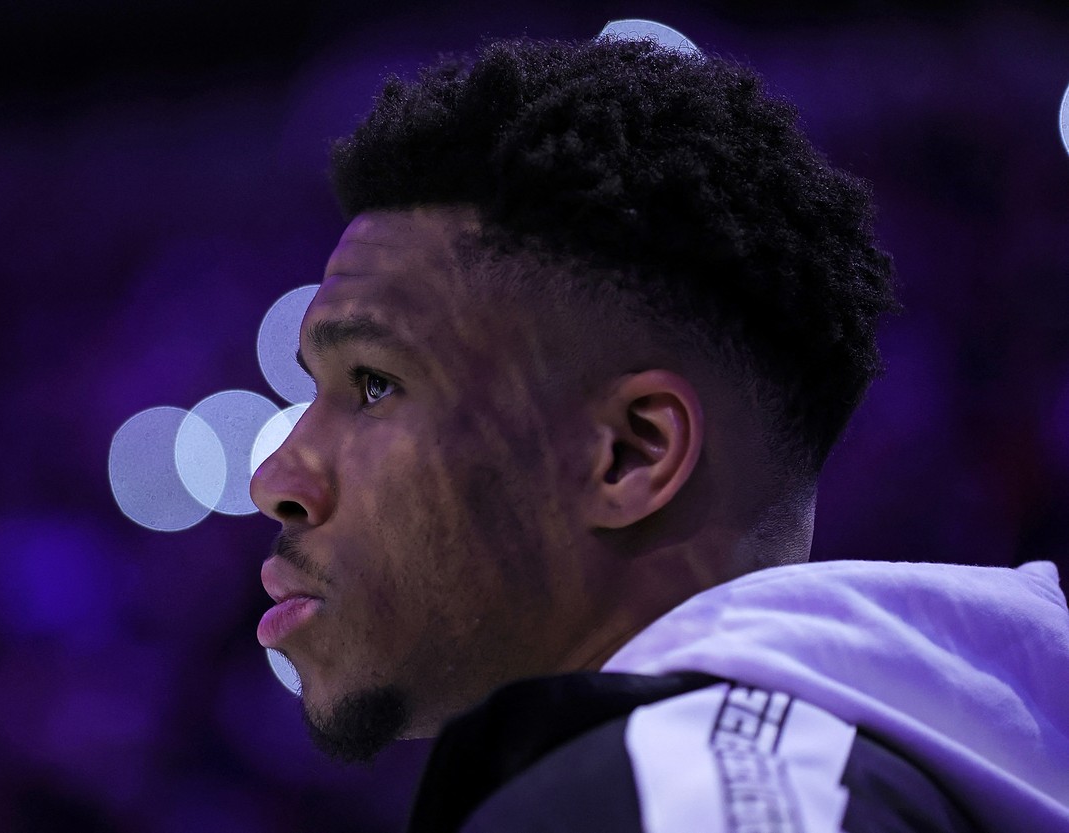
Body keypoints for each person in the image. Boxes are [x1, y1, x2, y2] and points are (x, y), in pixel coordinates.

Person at [249, 31, 1069, 833]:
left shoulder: (678, 793)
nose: (275, 479)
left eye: (376, 384)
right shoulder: (833, 770)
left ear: (631, 454)